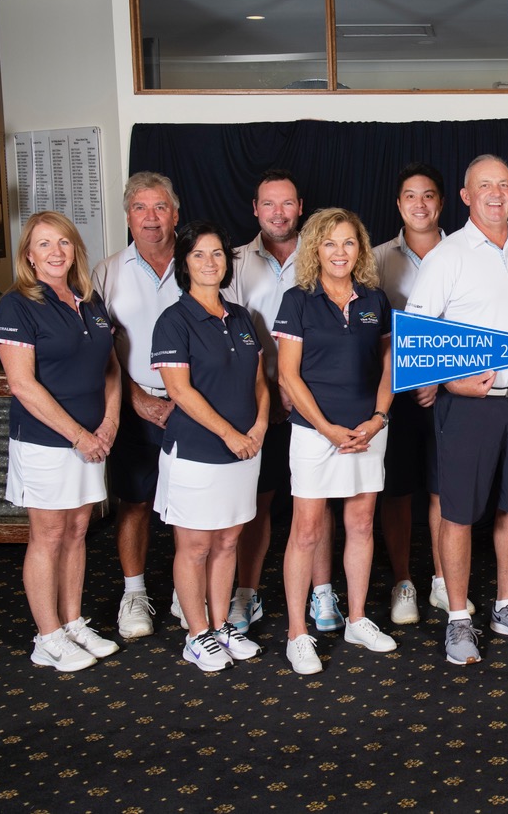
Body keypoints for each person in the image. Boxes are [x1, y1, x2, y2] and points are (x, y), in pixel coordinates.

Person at [405, 154, 508, 665]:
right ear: (466, 197)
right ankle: (460, 618)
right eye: (484, 186)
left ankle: (506, 607)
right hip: (469, 408)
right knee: (459, 514)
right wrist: (454, 381)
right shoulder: (445, 256)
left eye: (504, 185)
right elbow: (418, 342)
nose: (496, 194)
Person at [0, 211, 122, 671]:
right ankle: (47, 636)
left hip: (92, 440)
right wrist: (78, 436)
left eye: (64, 243)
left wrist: (108, 424)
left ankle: (72, 624)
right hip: (47, 443)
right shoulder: (17, 305)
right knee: (48, 535)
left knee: (77, 531)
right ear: (29, 255)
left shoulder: (88, 300)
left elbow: (111, 368)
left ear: (75, 250)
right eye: (44, 244)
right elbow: (22, 385)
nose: (55, 252)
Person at [275, 208, 396, 673]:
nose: (340, 252)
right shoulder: (297, 300)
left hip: (368, 429)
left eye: (348, 243)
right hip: (314, 432)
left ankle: (358, 618)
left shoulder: (375, 299)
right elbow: (287, 373)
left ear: (360, 249)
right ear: (315, 250)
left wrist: (379, 417)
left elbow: (389, 366)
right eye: (330, 243)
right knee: (306, 530)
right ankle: (296, 634)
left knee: (362, 524)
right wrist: (326, 428)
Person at [151, 221, 269, 671]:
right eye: (199, 254)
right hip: (198, 452)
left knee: (228, 541)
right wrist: (231, 435)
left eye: (217, 253)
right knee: (196, 545)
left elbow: (259, 380)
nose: (209, 262)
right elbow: (180, 392)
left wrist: (258, 426)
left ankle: (221, 626)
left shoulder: (241, 318)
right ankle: (197, 634)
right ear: (184, 263)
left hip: (244, 450)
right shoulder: (173, 321)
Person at [373, 162, 473, 626]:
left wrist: (441, 374)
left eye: (428, 195)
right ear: (398, 204)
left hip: (450, 392)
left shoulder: (464, 253)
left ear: (442, 202)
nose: (420, 204)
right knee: (397, 490)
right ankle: (403, 581)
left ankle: (439, 579)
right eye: (410, 196)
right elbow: (369, 332)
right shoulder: (373, 259)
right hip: (393, 393)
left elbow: (472, 326)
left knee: (441, 488)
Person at [92, 172, 183, 640]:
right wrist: (137, 398)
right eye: (141, 209)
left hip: (193, 406)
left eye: (160, 207)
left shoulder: (199, 263)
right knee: (135, 502)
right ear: (128, 216)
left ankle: (189, 593)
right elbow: (99, 348)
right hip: (135, 404)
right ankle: (134, 592)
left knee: (192, 502)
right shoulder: (106, 272)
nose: (151, 218)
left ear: (175, 213)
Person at [225, 169, 304, 633]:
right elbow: (234, 337)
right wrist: (270, 397)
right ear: (255, 209)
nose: (278, 213)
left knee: (315, 504)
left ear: (300, 207)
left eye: (287, 203)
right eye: (269, 204)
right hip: (259, 405)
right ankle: (246, 594)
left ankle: (320, 593)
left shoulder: (321, 257)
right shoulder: (232, 262)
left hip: (314, 402)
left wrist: (298, 394)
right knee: (256, 504)